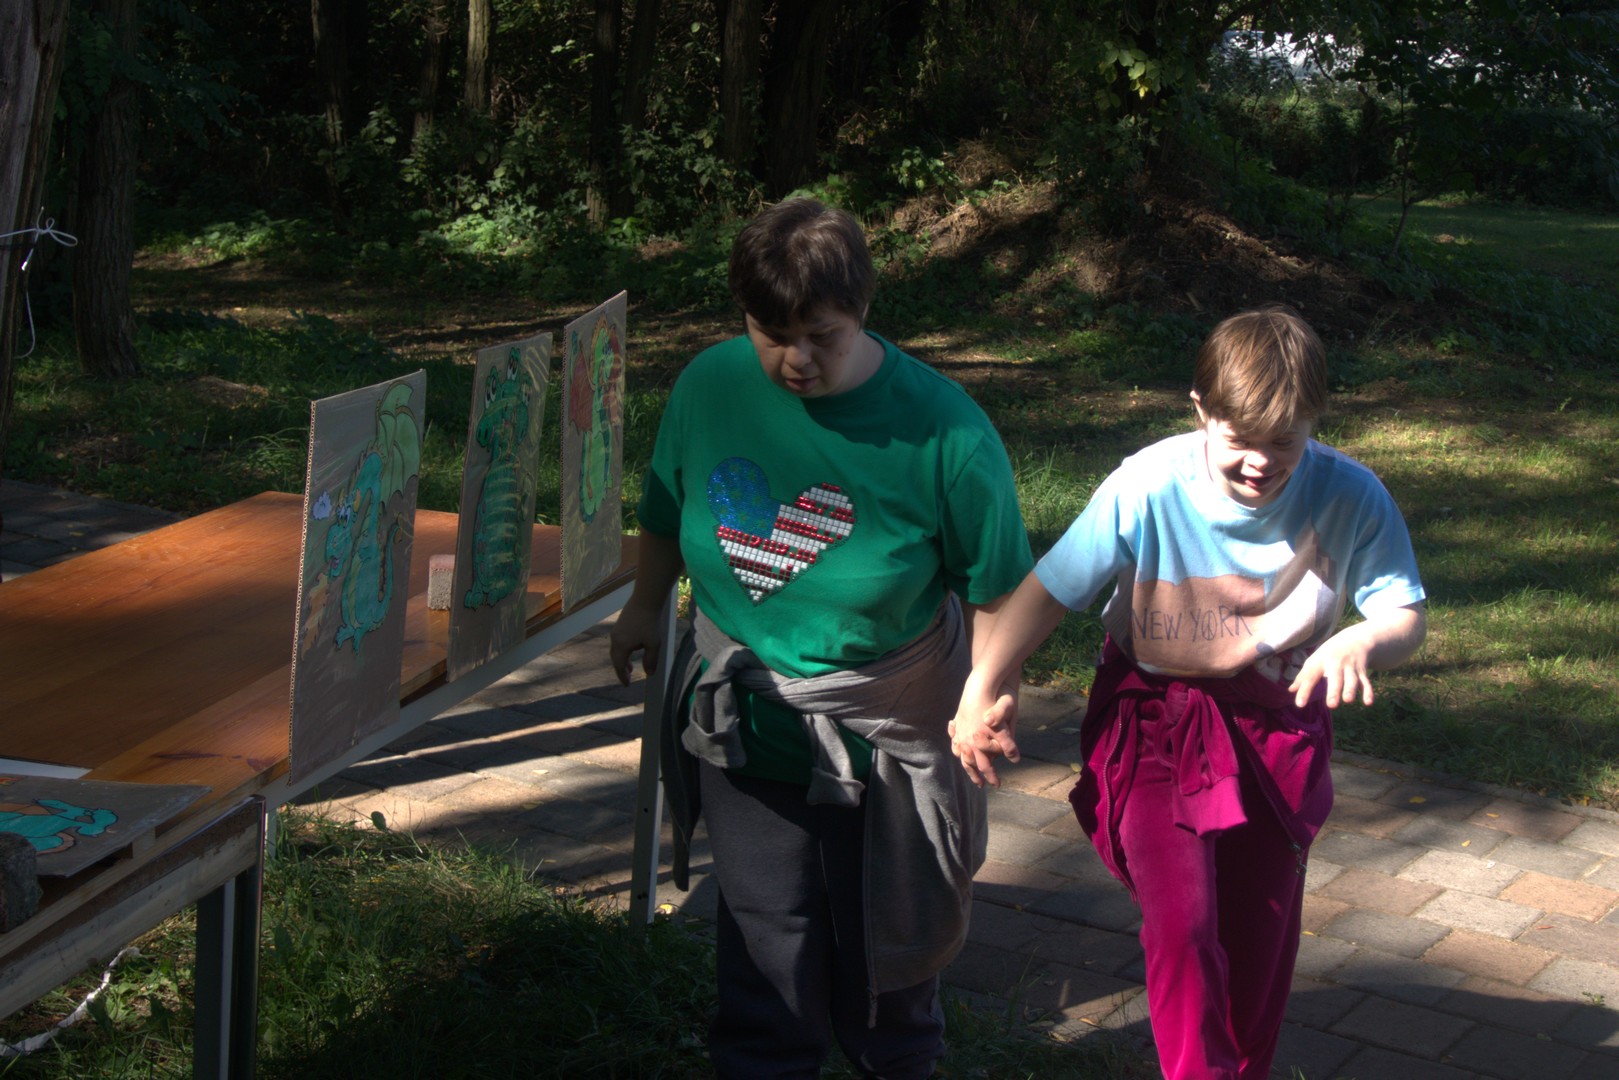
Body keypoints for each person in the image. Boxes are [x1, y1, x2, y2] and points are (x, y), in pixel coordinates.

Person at [609, 197, 1033, 1079]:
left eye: (822, 337)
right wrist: (645, 607)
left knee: (886, 940)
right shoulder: (708, 385)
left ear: (863, 309)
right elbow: (665, 506)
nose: (795, 360)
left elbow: (996, 586)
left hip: (887, 731)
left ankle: (895, 1061)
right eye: (771, 334)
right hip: (747, 721)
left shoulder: (945, 430)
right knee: (766, 933)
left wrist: (986, 690)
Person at [949, 305, 1427, 1080]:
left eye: (1285, 441)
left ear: (1315, 420)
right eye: (1241, 439)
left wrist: (1363, 639)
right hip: (1154, 720)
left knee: (1256, 936)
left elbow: (1404, 614)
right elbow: (1048, 590)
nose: (1260, 463)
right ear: (1201, 410)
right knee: (1183, 924)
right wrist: (982, 684)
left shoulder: (1349, 494)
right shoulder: (1148, 483)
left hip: (1275, 730)